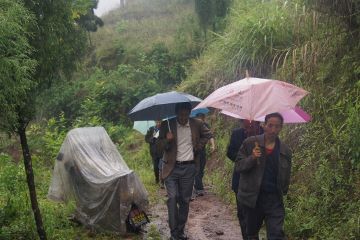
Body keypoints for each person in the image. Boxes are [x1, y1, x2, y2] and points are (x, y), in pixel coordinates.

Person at [157, 102, 212, 240]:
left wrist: (198, 146)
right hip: (171, 168)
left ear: (189, 113)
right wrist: (167, 141)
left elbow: (208, 134)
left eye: (185, 114)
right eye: (180, 114)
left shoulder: (197, 124)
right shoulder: (167, 125)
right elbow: (158, 147)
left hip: (189, 168)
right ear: (176, 113)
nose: (183, 117)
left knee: (184, 200)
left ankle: (180, 231)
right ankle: (173, 232)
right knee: (172, 198)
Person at [236, 113, 292, 240]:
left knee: (276, 234)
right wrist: (252, 158)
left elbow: (286, 174)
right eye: (270, 125)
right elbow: (239, 166)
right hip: (253, 198)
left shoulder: (285, 151)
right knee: (251, 234)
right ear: (264, 125)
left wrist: (283, 191)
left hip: (274, 199)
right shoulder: (250, 143)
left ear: (281, 128)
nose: (273, 130)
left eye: (277, 126)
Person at [226, 119, 263, 239]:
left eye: (253, 124)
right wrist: (245, 157)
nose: (248, 126)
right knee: (242, 214)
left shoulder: (264, 134)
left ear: (258, 123)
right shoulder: (237, 133)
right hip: (240, 180)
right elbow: (230, 152)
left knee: (257, 216)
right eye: (246, 123)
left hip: (259, 182)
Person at [193, 113, 215, 198]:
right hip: (194, 152)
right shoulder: (192, 125)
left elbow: (210, 135)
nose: (200, 120)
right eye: (198, 118)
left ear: (203, 118)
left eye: (202, 118)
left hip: (202, 151)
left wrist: (213, 145)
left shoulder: (205, 125)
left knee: (201, 170)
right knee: (197, 170)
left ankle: (197, 185)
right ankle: (199, 189)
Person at [145, 120, 163, 184]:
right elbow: (146, 139)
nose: (158, 123)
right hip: (154, 152)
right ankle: (157, 179)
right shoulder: (151, 129)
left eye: (160, 122)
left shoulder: (164, 128)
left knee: (162, 167)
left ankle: (162, 181)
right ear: (155, 122)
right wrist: (152, 137)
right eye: (157, 122)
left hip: (162, 151)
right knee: (156, 167)